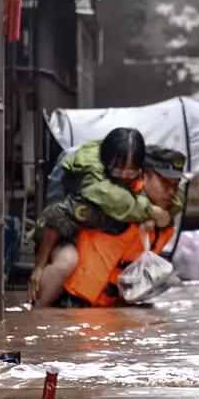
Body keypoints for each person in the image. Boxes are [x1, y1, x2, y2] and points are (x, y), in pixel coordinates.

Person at [28, 128, 177, 305]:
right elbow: (55, 217)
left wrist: (150, 217)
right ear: (107, 165)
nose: (124, 177)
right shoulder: (96, 190)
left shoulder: (139, 192)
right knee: (67, 261)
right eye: (118, 171)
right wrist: (39, 265)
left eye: (131, 172)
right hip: (58, 233)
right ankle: (37, 310)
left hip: (99, 272)